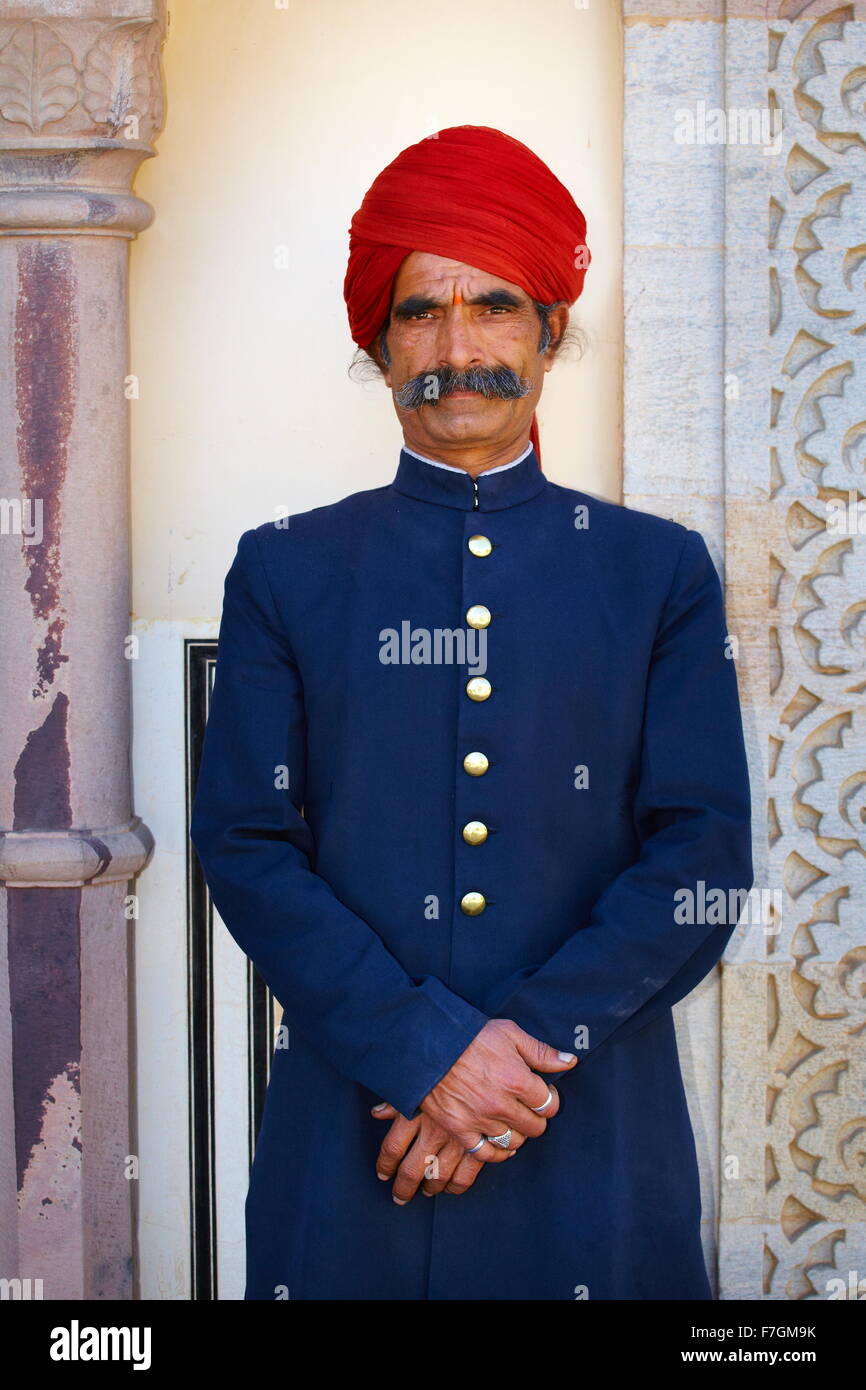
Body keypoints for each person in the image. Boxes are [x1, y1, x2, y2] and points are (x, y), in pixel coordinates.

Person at [189, 124, 753, 1300]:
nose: (456, 347)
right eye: (420, 312)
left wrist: (505, 1066)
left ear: (549, 332)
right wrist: (423, 1051)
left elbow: (699, 851)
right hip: (358, 1130)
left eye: (494, 307)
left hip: (586, 1130)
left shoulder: (653, 571)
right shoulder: (288, 570)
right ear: (378, 344)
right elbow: (246, 843)